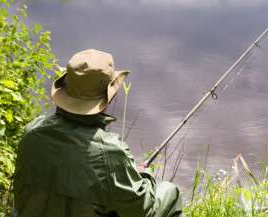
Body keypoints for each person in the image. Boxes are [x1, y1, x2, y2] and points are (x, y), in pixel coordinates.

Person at [13, 49, 183, 217]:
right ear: (108, 98)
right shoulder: (110, 152)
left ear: (64, 90)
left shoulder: (32, 132)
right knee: (169, 192)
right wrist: (145, 175)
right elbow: (140, 210)